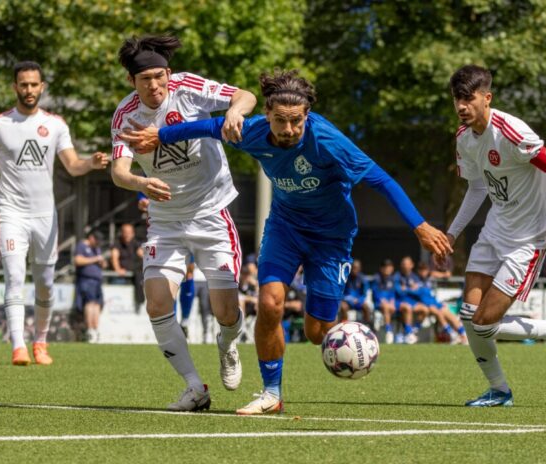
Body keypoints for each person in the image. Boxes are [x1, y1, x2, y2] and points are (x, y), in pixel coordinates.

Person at [120, 69, 452, 415]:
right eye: (281, 121)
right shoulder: (250, 132)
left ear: (307, 116)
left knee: (315, 331)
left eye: (297, 121)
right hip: (285, 227)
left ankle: (348, 335)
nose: (289, 129)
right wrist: (161, 135)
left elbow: (381, 179)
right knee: (270, 302)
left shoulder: (327, 140)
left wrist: (420, 226)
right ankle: (271, 393)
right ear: (267, 115)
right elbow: (204, 127)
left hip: (331, 237)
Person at [110, 34, 257, 411]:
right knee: (157, 303)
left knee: (225, 310)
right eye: (145, 79)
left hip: (212, 213)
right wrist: (141, 183)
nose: (155, 85)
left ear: (168, 73)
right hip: (165, 220)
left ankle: (228, 345)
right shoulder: (125, 115)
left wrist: (235, 112)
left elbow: (246, 95)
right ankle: (195, 387)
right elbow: (119, 172)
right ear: (132, 82)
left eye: (160, 76)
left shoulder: (188, 88)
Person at [0, 61, 108, 366]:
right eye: (23, 84)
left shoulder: (55, 125)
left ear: (42, 87)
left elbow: (73, 164)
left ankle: (40, 341)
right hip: (10, 213)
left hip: (44, 217)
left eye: (33, 84)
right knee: (13, 276)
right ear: (15, 87)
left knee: (45, 284)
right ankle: (17, 346)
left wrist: (91, 161)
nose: (28, 90)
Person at [443, 64, 546, 407]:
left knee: (485, 322)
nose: (461, 106)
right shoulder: (463, 138)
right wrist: (452, 234)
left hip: (528, 240)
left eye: (468, 98)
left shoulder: (511, 132)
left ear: (487, 98)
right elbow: (476, 188)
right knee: (468, 316)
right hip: (495, 231)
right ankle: (500, 391)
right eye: (456, 99)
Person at [416, 262, 467, 344]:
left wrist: (444, 274)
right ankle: (451, 333)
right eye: (421, 270)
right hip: (425, 305)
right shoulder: (415, 279)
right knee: (438, 312)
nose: (423, 272)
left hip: (435, 303)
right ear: (418, 271)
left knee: (448, 313)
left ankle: (463, 335)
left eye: (425, 270)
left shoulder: (430, 277)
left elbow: (444, 274)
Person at [74, 231, 106, 342]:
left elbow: (102, 263)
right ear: (91, 238)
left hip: (97, 280)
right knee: (90, 303)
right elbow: (77, 260)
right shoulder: (82, 246)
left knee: (97, 304)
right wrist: (95, 259)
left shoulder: (96, 248)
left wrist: (102, 262)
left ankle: (96, 329)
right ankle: (90, 330)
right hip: (86, 280)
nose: (98, 243)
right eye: (96, 240)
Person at [394, 256, 429, 344]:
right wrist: (411, 289)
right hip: (399, 302)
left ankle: (414, 329)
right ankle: (408, 333)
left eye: (407, 264)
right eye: (403, 264)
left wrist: (406, 289)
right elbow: (398, 292)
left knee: (425, 309)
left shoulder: (415, 277)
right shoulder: (397, 277)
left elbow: (419, 292)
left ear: (411, 265)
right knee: (408, 308)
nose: (405, 266)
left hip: (412, 302)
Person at [110, 223, 144, 310]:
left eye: (130, 232)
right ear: (122, 233)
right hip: (122, 275)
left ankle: (140, 301)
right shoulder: (117, 243)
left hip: (135, 273)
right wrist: (118, 269)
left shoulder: (136, 243)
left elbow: (143, 255)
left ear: (133, 233)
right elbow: (114, 258)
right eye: (126, 232)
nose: (128, 234)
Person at [370, 259, 399, 344]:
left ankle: (404, 334)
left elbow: (393, 293)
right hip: (379, 304)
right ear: (381, 268)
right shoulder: (377, 278)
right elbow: (375, 293)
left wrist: (392, 303)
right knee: (386, 307)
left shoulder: (392, 279)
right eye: (385, 267)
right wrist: (383, 301)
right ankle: (388, 331)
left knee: (405, 307)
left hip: (390, 304)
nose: (387, 269)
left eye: (389, 267)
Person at [338, 258, 371, 326]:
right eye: (353, 268)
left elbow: (364, 294)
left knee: (366, 307)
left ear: (360, 268)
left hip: (358, 302)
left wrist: (359, 300)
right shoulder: (345, 277)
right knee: (343, 306)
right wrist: (350, 299)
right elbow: (341, 293)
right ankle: (344, 326)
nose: (354, 270)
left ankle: (366, 326)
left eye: (356, 268)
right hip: (348, 301)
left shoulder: (363, 279)